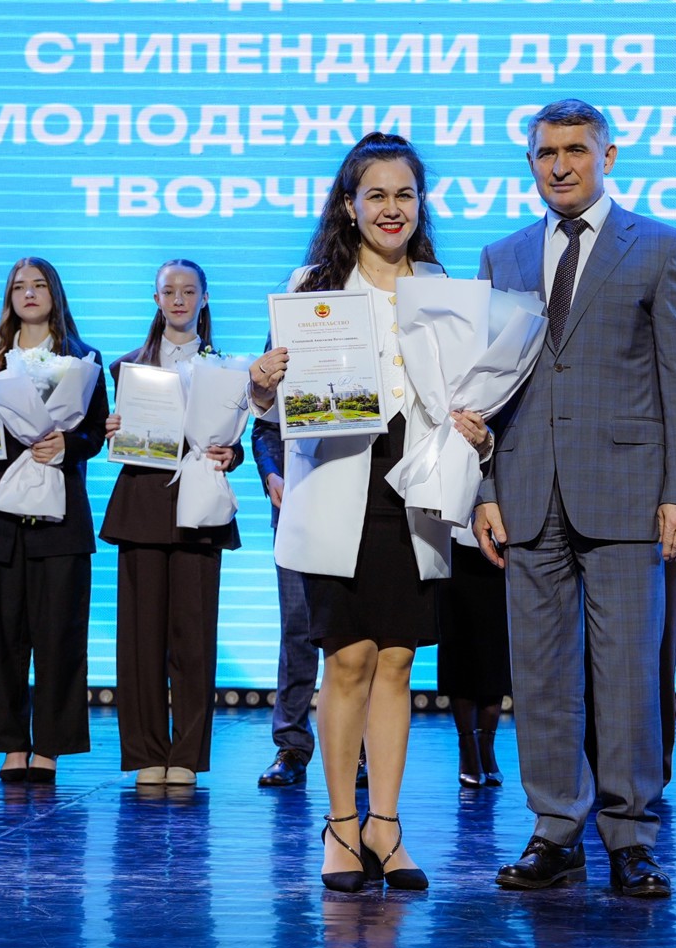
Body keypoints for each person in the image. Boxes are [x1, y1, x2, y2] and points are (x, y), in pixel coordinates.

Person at [473, 99, 676, 897]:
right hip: (527, 491)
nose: (561, 164)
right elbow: (484, 387)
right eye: (547, 152)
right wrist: (484, 489)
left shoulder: (660, 246)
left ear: (608, 156)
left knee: (629, 675)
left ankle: (631, 834)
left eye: (576, 149)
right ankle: (555, 828)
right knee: (540, 675)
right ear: (530, 162)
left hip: (630, 495)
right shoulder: (502, 255)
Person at [247, 132, 488, 893]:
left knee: (397, 661)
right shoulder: (311, 284)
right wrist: (261, 386)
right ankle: (341, 826)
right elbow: (271, 409)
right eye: (376, 194)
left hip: (414, 492)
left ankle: (387, 826)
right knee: (347, 658)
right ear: (349, 206)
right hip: (338, 488)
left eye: (405, 194)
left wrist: (478, 427)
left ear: (421, 204)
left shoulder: (443, 286)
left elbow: (465, 396)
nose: (392, 208)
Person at [0, 257, 107, 784]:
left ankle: (50, 746)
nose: (29, 293)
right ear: (8, 298)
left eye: (39, 285)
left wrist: (68, 445)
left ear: (55, 293)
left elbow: (96, 433)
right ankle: (10, 745)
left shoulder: (83, 359)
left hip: (61, 521)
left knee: (60, 638)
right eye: (18, 287)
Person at [100, 259, 241, 788]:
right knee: (138, 639)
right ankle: (144, 752)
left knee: (194, 639)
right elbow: (114, 434)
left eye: (188, 291)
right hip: (142, 506)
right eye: (169, 291)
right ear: (155, 299)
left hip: (199, 511)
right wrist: (112, 426)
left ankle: (186, 754)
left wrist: (231, 455)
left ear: (205, 298)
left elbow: (234, 442)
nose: (179, 299)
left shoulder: (228, 368)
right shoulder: (127, 368)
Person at [250, 416, 319, 789]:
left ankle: (361, 750)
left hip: (358, 509)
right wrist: (271, 474)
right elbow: (264, 426)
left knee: (355, 636)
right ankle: (291, 745)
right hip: (294, 508)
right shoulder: (281, 366)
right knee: (296, 629)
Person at [438, 535, 511, 788]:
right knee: (457, 640)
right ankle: (467, 745)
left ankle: (486, 744)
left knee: (496, 644)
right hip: (454, 542)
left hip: (501, 543)